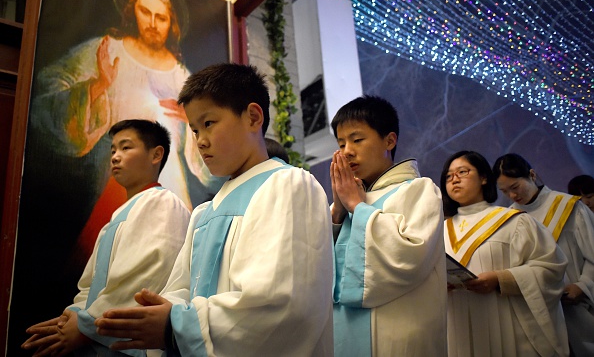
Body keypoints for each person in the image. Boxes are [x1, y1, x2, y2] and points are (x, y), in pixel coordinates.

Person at [94, 64, 334, 356]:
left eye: (209, 123)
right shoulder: (205, 212)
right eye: (194, 130)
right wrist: (163, 312)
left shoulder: (288, 185)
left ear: (253, 117)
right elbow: (181, 287)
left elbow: (282, 303)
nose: (200, 141)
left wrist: (176, 327)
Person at [31, 0, 223, 258]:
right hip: (114, 182)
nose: (152, 23)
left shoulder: (180, 75)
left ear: (170, 22)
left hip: (170, 186)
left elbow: (206, 153)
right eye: (146, 13)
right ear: (132, 11)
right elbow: (48, 92)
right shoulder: (107, 50)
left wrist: (191, 120)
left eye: (161, 17)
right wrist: (97, 86)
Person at [21, 119, 191, 356]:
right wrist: (72, 316)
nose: (115, 156)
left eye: (126, 147)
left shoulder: (163, 203)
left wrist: (86, 326)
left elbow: (144, 277)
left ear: (156, 155)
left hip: (125, 345)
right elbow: (89, 285)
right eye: (113, 150)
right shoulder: (119, 215)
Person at [330, 95, 446, 356]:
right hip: (343, 330)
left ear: (389, 140)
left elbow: (409, 255)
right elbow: (321, 271)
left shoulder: (418, 190)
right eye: (341, 143)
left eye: (357, 139)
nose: (347, 150)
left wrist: (358, 209)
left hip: (397, 333)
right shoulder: (342, 203)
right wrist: (338, 213)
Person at [442, 150, 569, 357]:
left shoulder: (514, 221)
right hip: (458, 330)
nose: (454, 179)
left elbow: (552, 268)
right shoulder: (441, 231)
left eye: (462, 172)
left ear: (484, 178)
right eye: (448, 176)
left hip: (506, 327)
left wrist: (501, 279)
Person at [494, 153, 594, 356]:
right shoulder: (511, 219)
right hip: (542, 311)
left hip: (579, 304)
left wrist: (582, 286)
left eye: (515, 187)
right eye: (505, 191)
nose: (513, 196)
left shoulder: (570, 206)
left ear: (532, 175)